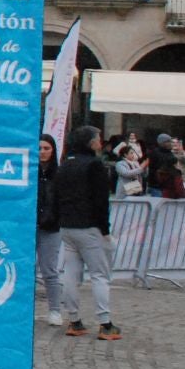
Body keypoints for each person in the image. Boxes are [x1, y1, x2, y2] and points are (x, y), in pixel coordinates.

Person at [53, 124, 119, 340]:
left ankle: (74, 319)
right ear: (91, 142)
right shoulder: (94, 165)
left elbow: (56, 196)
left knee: (71, 273)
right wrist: (105, 230)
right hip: (89, 226)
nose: (101, 142)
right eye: (98, 138)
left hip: (67, 225)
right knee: (100, 275)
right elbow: (101, 201)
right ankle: (105, 323)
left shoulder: (65, 164)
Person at [34, 133, 65, 326]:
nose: (43, 152)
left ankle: (55, 310)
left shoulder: (59, 174)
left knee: (49, 270)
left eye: (47, 148)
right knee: (26, 268)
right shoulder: (30, 171)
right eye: (39, 148)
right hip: (30, 225)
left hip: (51, 226)